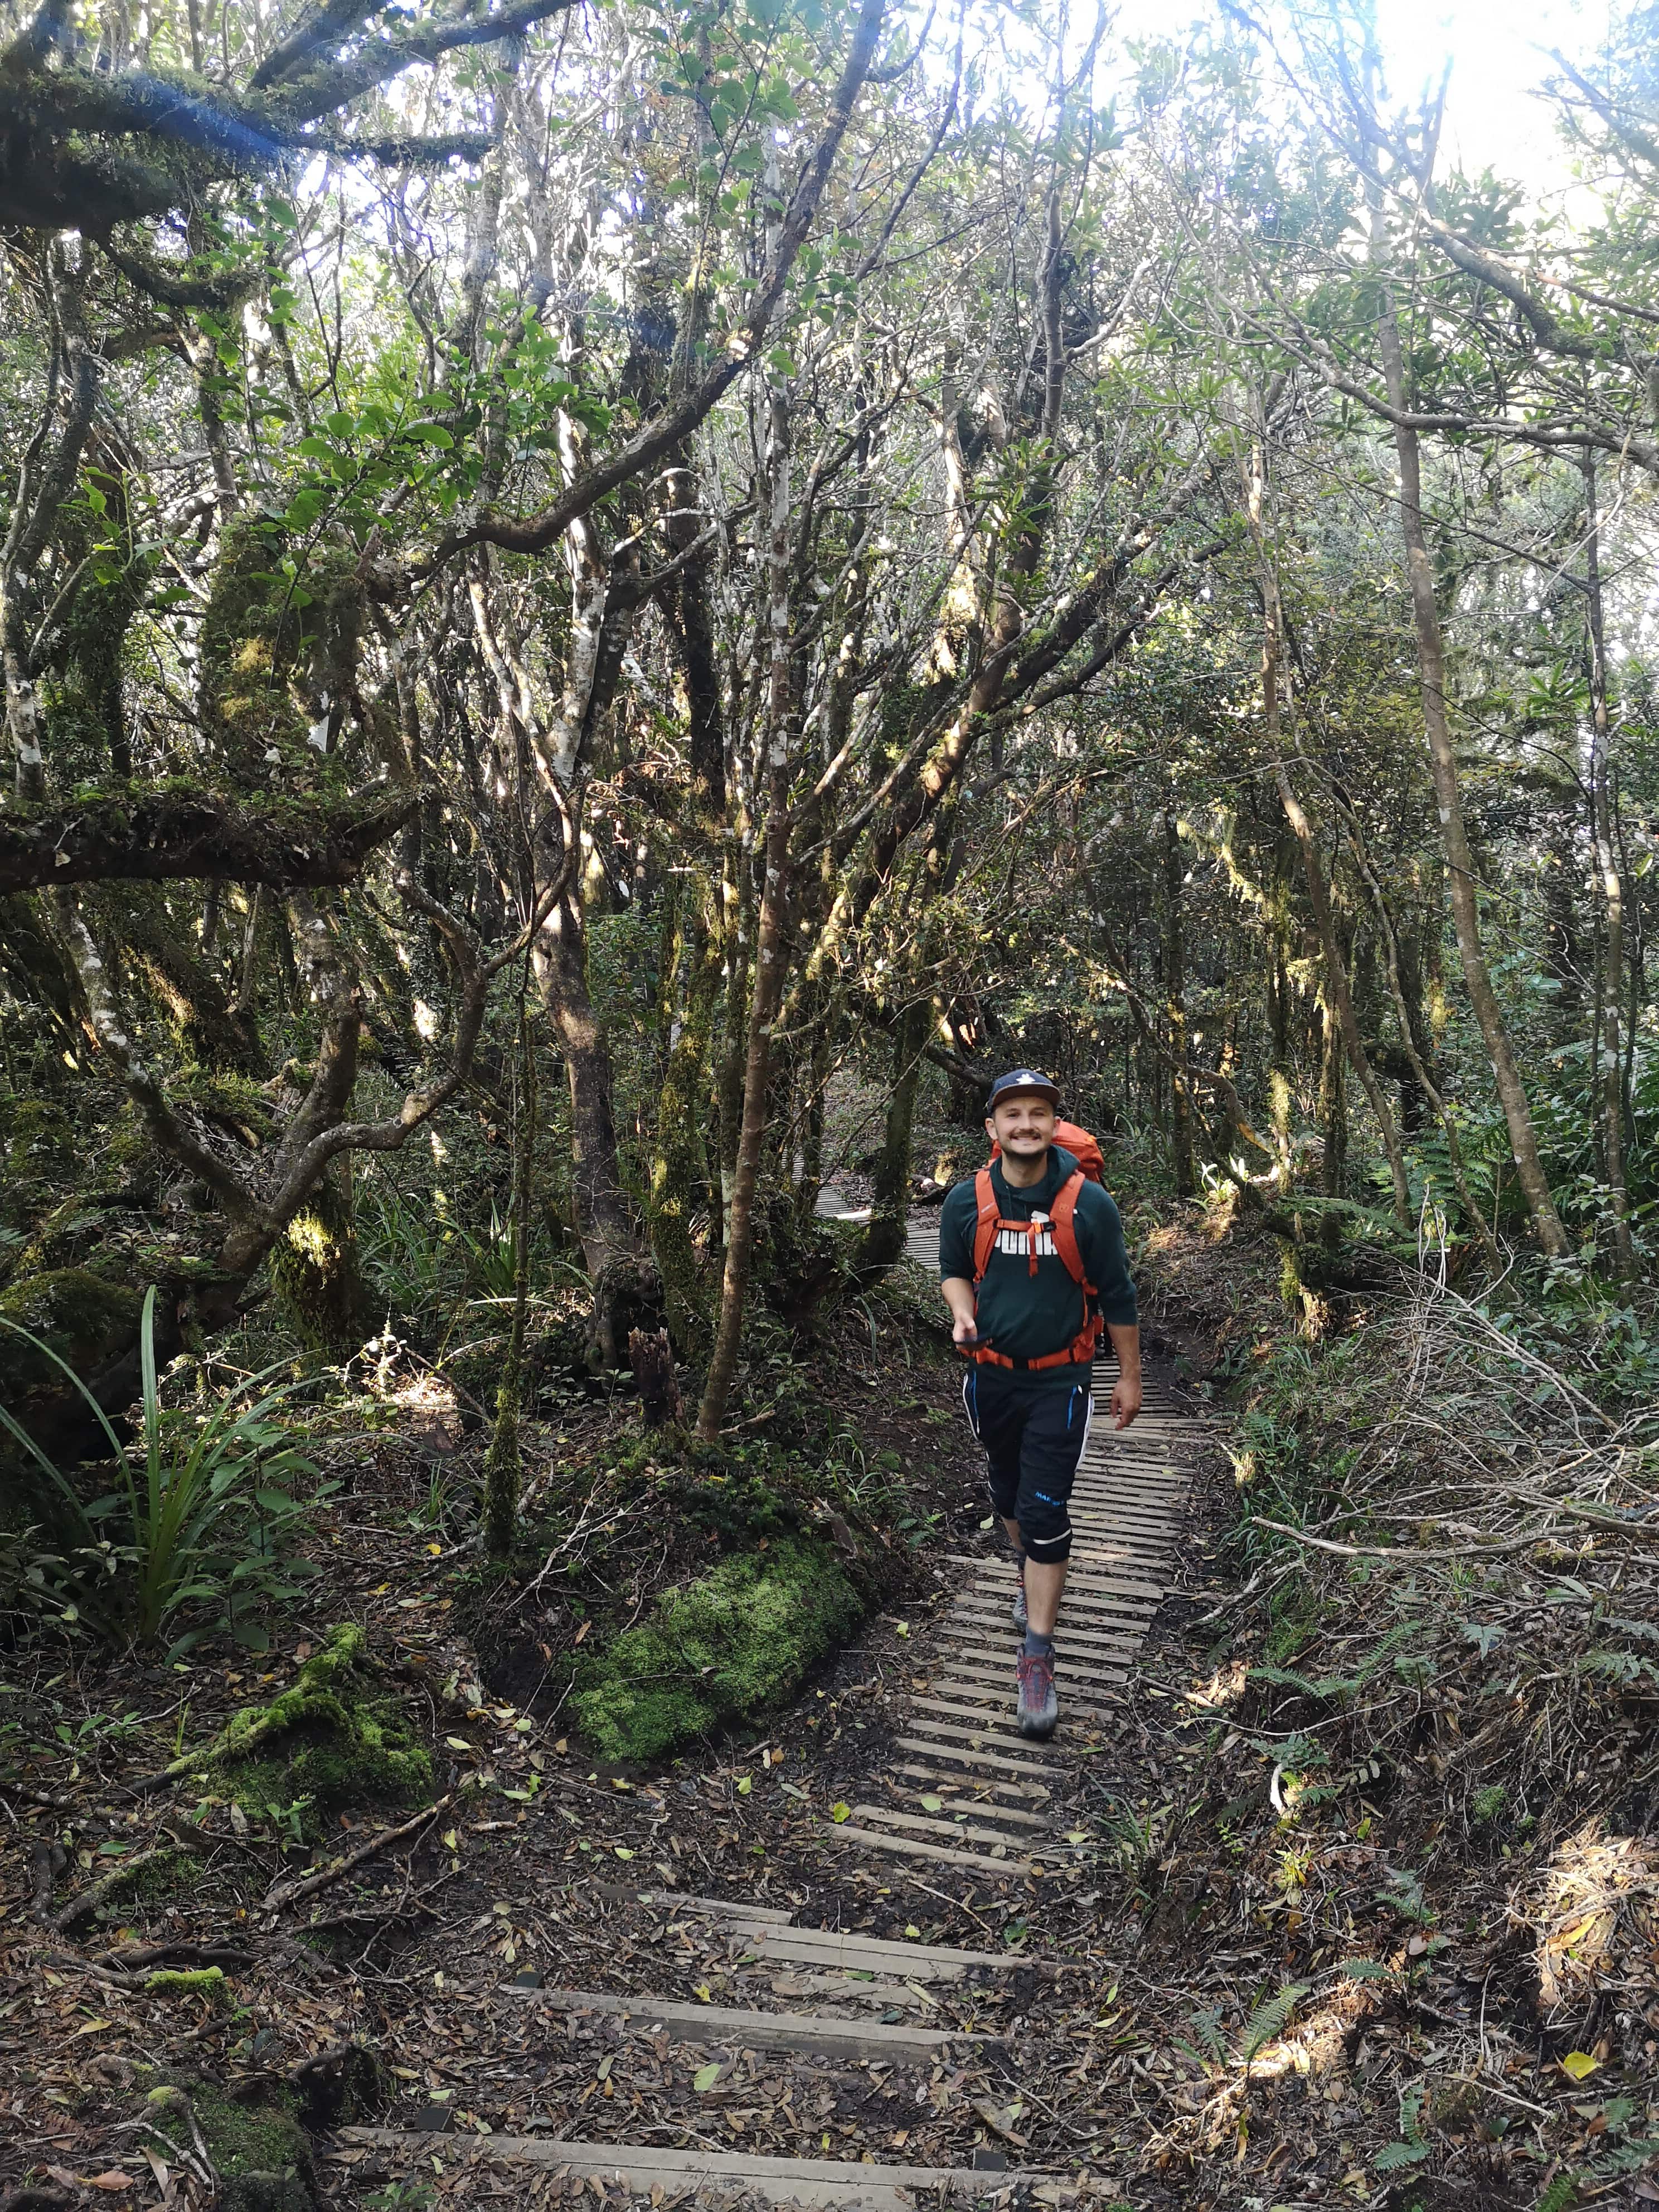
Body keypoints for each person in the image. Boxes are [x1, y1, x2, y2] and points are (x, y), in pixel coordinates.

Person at [938, 1069, 1141, 1738]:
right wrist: (963, 1314)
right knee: (1008, 1497)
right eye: (1013, 1114)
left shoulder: (1090, 1206)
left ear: (1055, 1125)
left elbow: (1118, 1296)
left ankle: (1038, 1653)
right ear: (993, 1129)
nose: (1026, 1124)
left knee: (1044, 1510)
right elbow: (954, 1272)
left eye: (1039, 1113)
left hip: (1064, 1380)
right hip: (991, 1377)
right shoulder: (967, 1200)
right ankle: (1031, 1583)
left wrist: (1130, 1377)